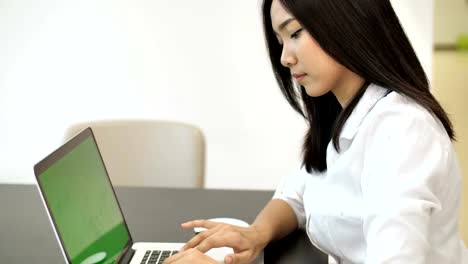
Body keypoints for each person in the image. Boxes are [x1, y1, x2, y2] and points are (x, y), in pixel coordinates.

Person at [164, 0, 468, 263]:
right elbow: (300, 191)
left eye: (295, 32)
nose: (285, 58)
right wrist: (256, 234)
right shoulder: (345, 113)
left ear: (346, 22)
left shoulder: (402, 132)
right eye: (280, 40)